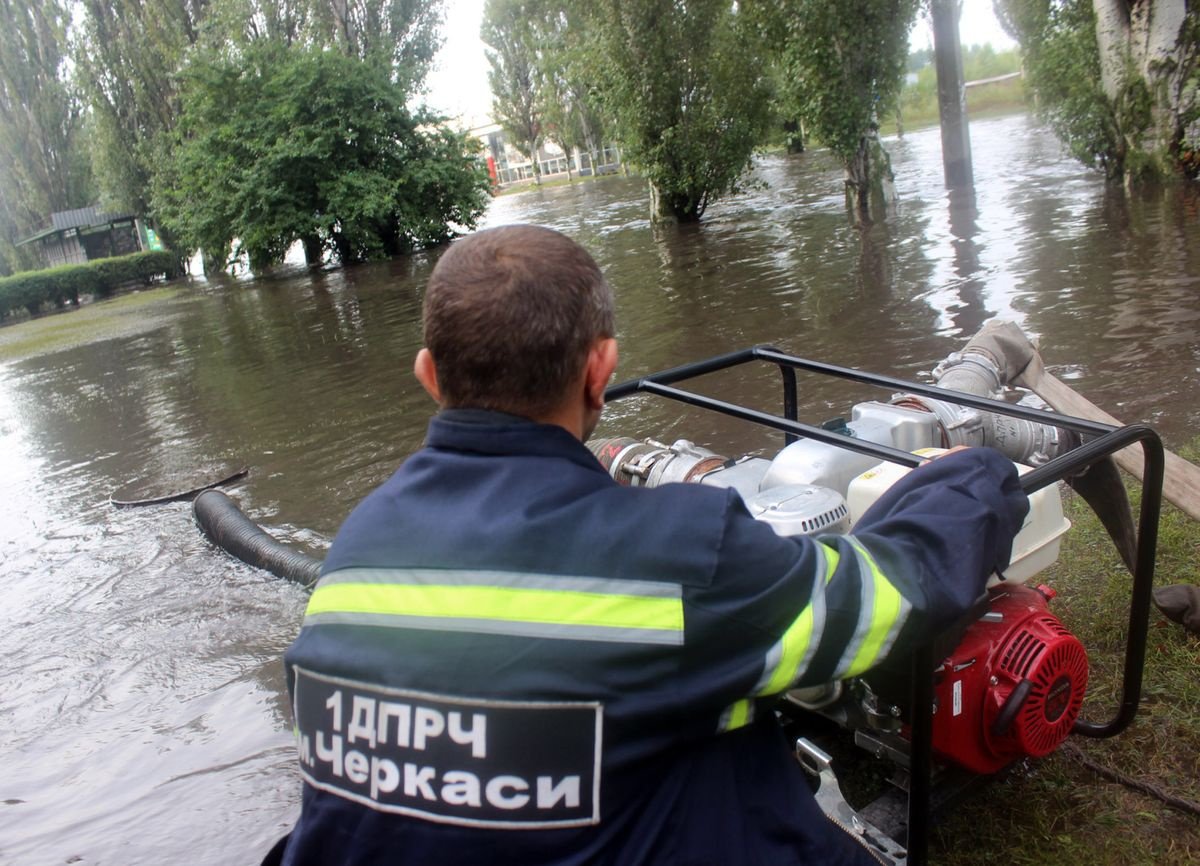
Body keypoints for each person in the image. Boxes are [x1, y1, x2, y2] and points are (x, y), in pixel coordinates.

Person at [265, 224, 1029, 865]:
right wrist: (979, 476)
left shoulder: (354, 551)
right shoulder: (680, 558)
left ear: (429, 376)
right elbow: (886, 594)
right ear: (601, 369)